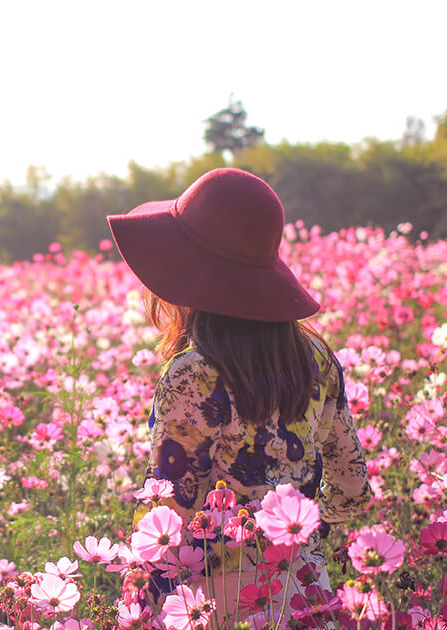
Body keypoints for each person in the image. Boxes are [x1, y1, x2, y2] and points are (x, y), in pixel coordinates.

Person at [106, 168, 371, 627]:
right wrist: (303, 533)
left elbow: (176, 506)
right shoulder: (317, 358)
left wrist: (142, 596)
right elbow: (351, 488)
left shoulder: (194, 372)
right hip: (305, 590)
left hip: (217, 597)